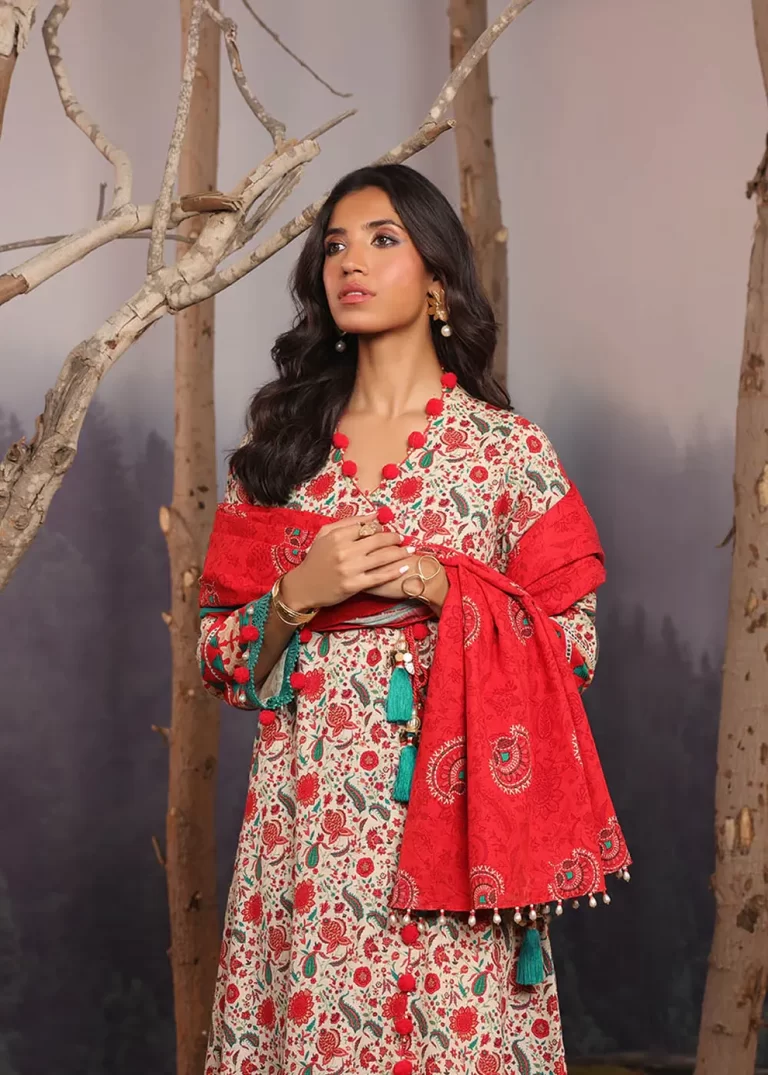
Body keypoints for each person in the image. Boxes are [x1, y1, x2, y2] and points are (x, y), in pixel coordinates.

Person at [197, 163, 630, 1075]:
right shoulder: (278, 455)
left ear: (437, 277)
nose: (349, 261)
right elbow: (221, 660)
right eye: (335, 246)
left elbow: (572, 650)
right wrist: (295, 594)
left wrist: (447, 588)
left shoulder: (506, 452)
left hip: (458, 840)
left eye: (382, 239)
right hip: (307, 843)